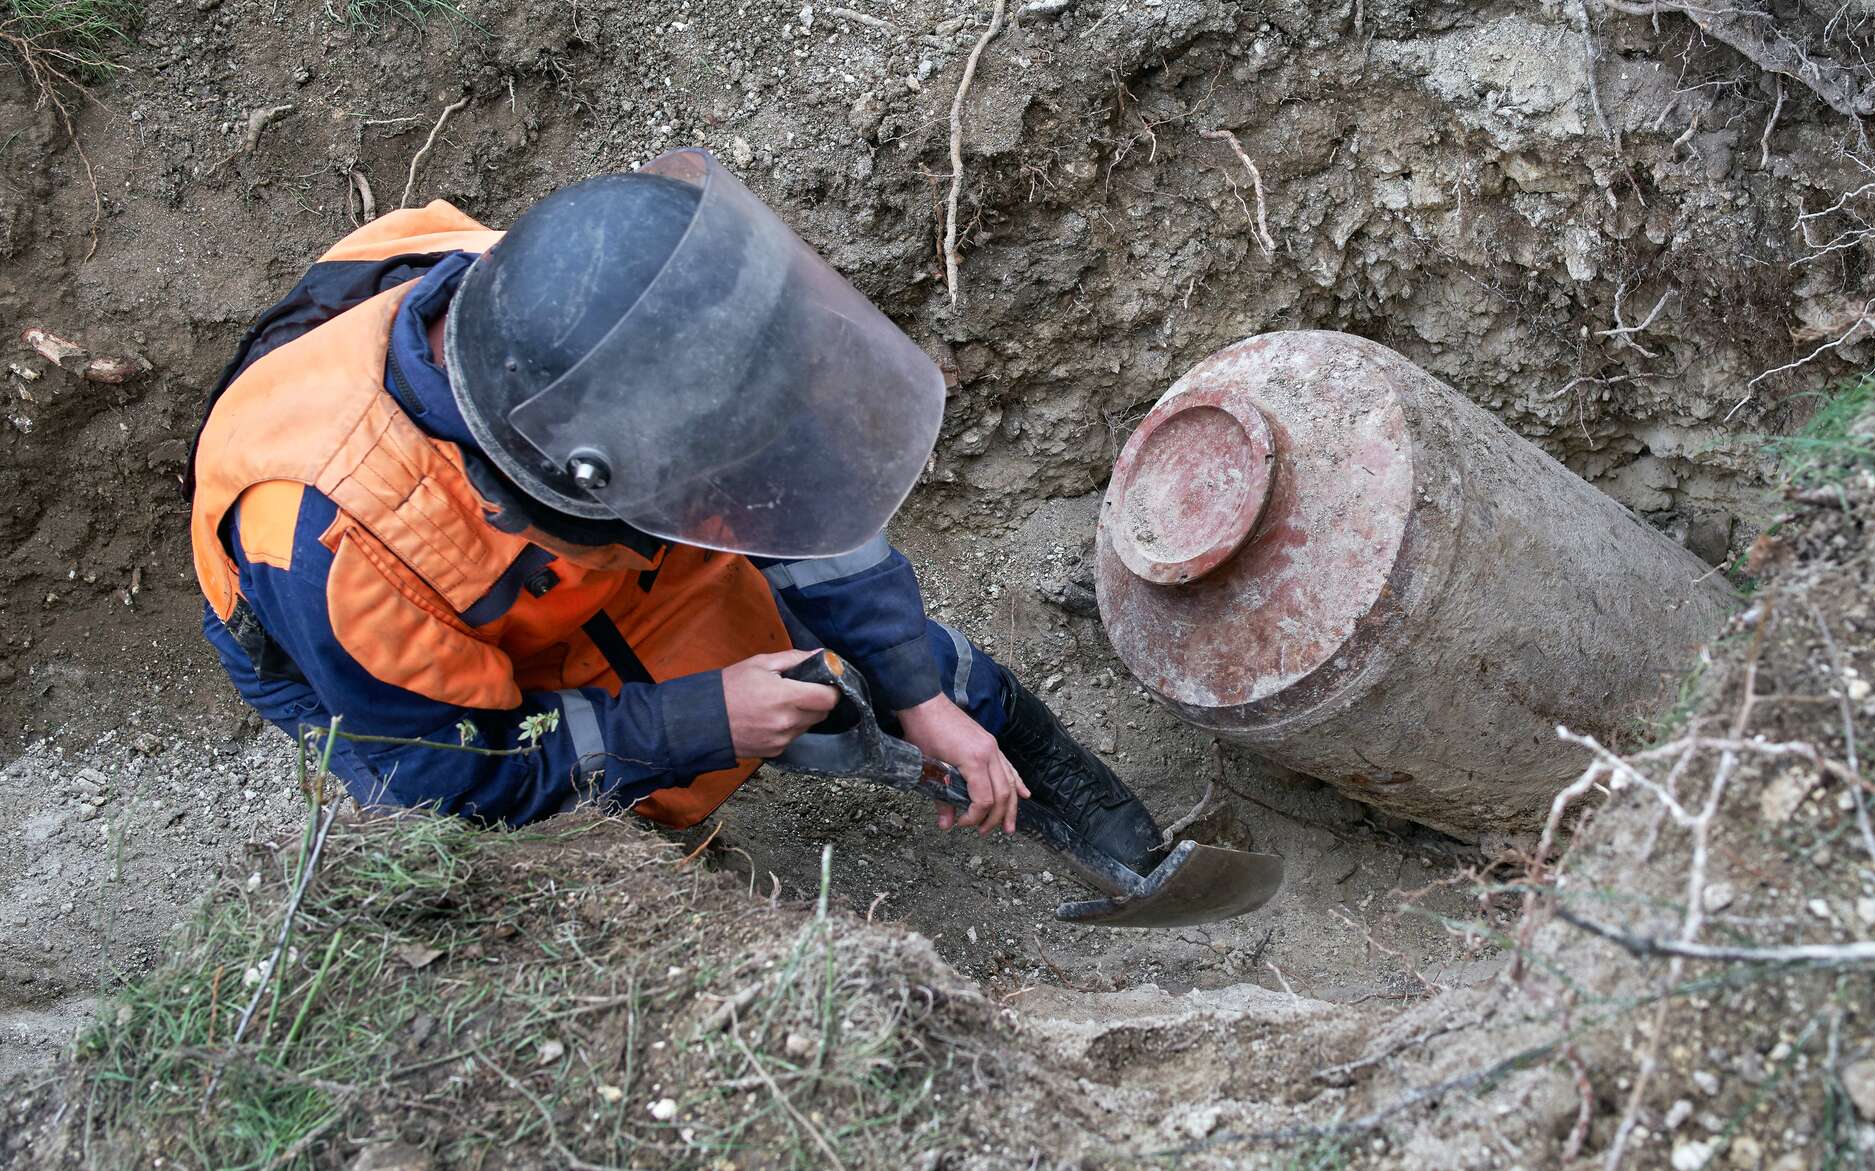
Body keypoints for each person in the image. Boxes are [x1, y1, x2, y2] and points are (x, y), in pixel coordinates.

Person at [185, 148, 1163, 871]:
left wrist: (914, 687)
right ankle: (671, 881)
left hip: (565, 551)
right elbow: (462, 774)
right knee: (571, 823)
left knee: (850, 671)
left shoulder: (602, 304)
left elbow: (801, 503)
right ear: (586, 493)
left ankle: (1073, 803)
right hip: (399, 663)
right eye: (709, 493)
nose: (736, 506)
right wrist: (701, 718)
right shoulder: (333, 551)